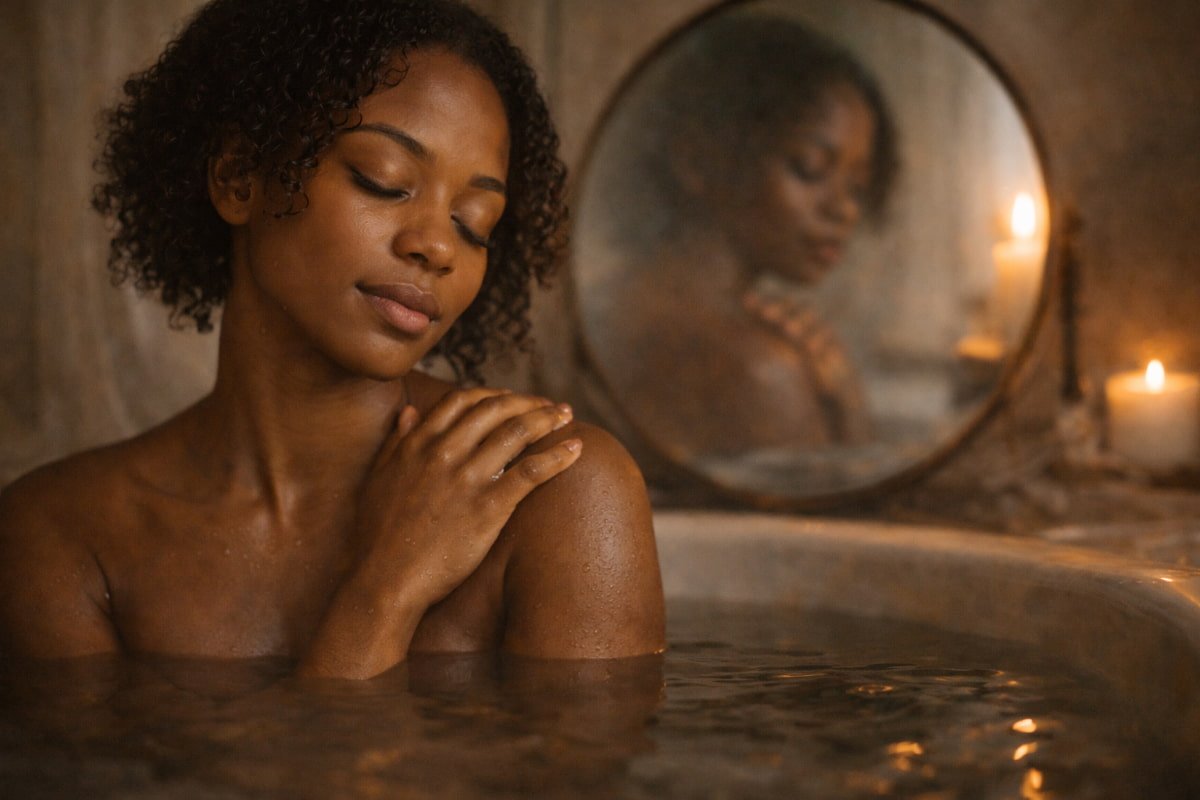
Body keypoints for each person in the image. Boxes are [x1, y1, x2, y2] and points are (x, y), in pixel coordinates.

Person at [0, 0, 664, 679]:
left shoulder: (558, 495)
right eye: (384, 181)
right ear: (238, 178)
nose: (436, 246)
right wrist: (386, 590)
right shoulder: (60, 537)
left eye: (474, 223)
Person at [578, 11, 898, 463]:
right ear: (699, 159)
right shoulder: (761, 371)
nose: (843, 209)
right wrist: (848, 408)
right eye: (809, 167)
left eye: (857, 187)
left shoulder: (613, 304)